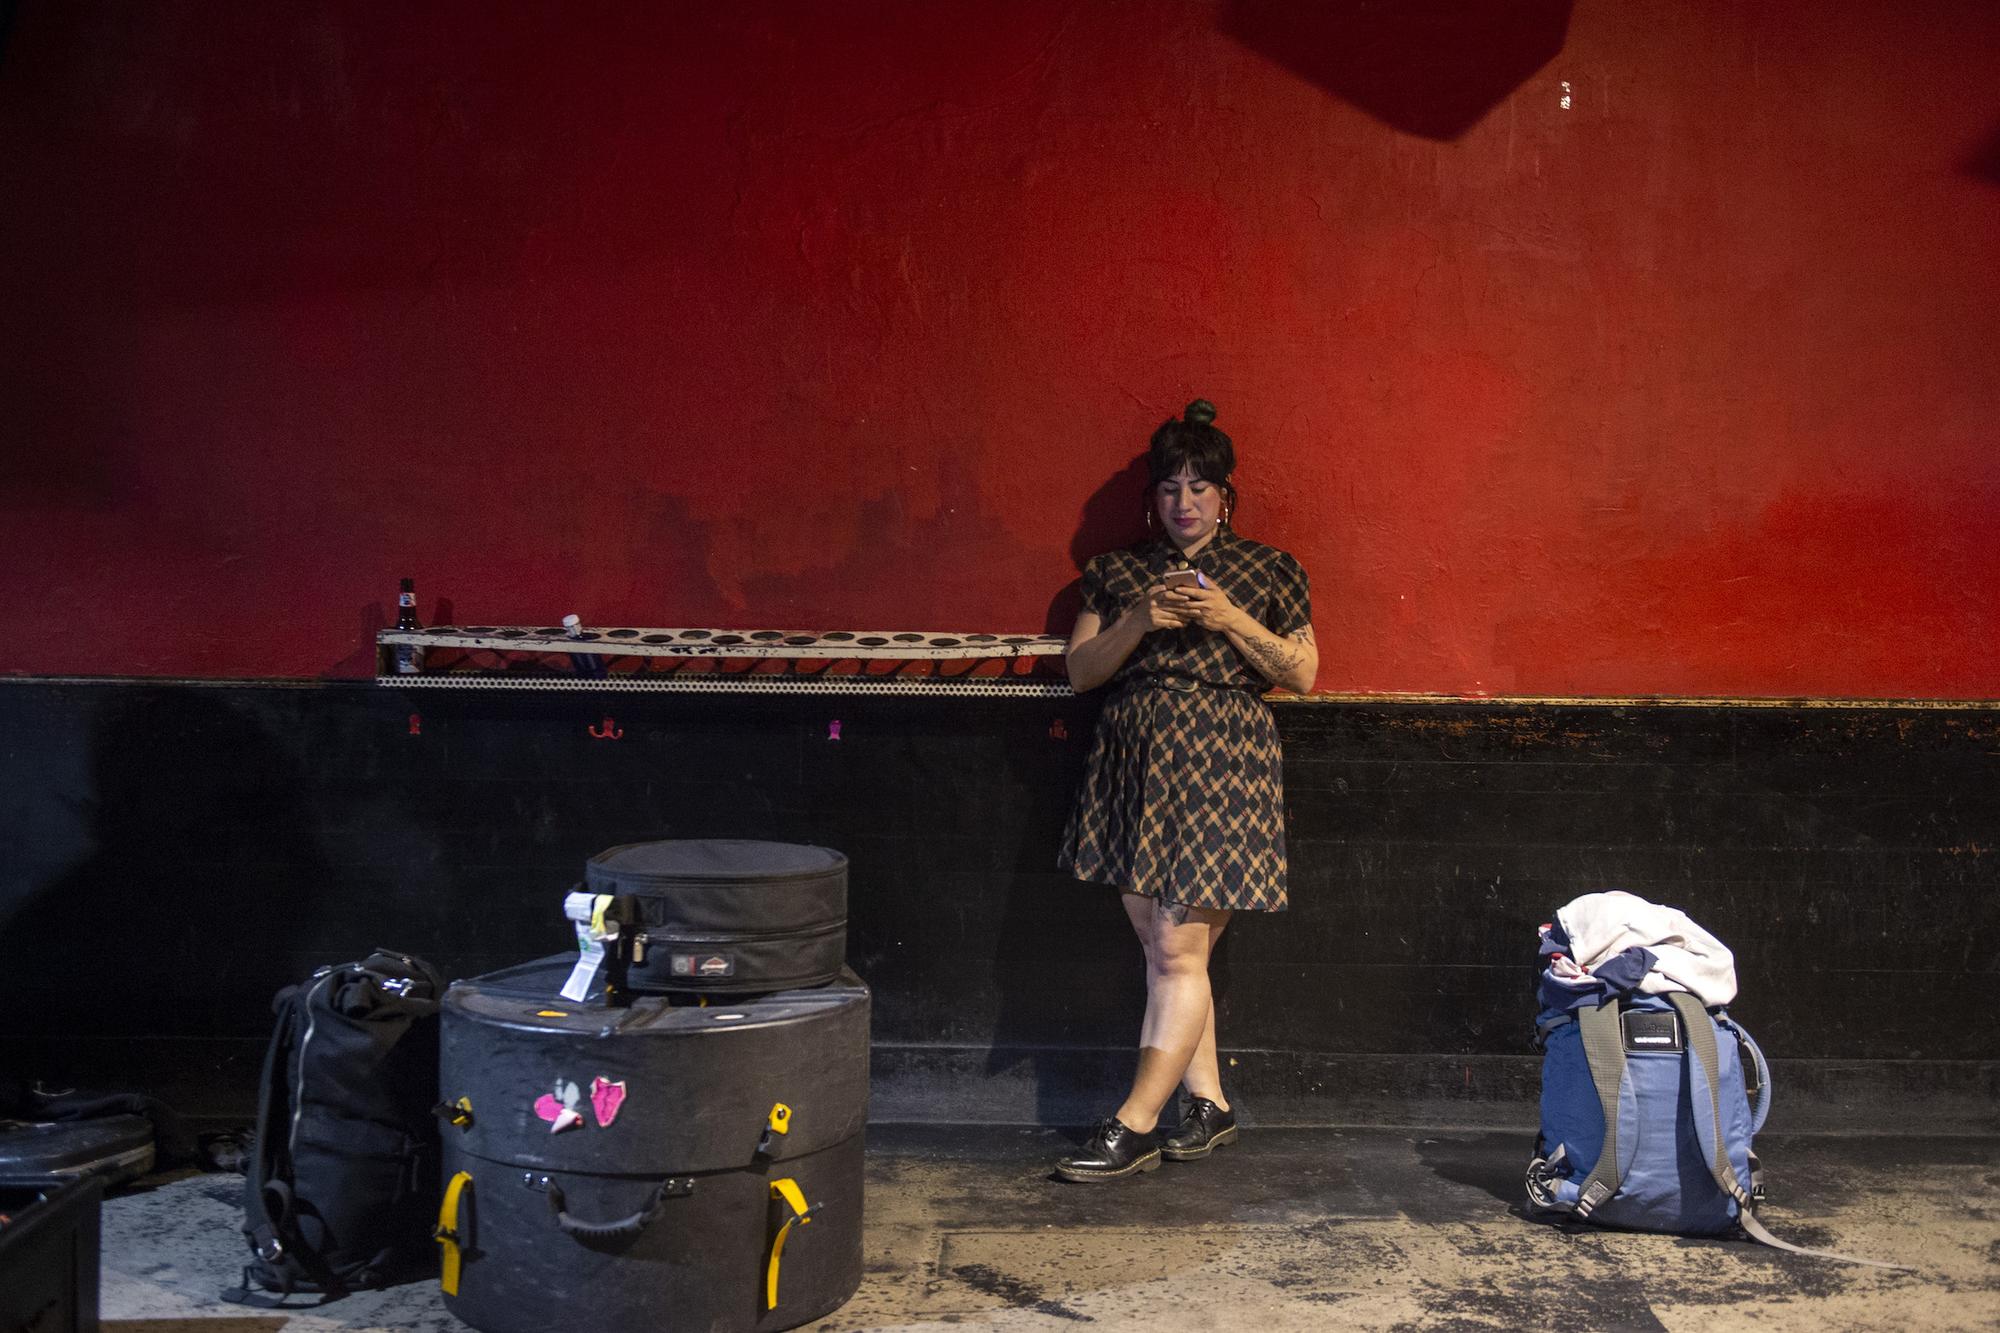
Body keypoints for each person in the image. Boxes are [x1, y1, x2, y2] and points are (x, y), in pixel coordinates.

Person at [1053, 398, 1316, 1182]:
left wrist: (1230, 615)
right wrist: (1138, 616)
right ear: (1153, 498)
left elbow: (1301, 671)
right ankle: (1208, 1103)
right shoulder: (1117, 571)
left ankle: (1132, 1125)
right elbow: (1080, 671)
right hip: (1136, 759)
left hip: (1223, 762)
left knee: (1176, 945)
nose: (1185, 502)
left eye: (1200, 487)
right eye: (1170, 487)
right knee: (1168, 950)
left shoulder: (1271, 568)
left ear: (1225, 495)